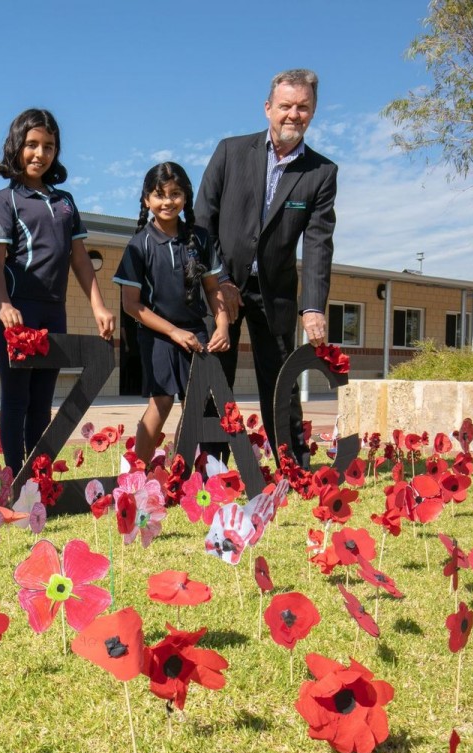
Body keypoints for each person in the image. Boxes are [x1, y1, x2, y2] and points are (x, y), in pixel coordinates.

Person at [195, 68, 338, 467]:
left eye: (303, 107)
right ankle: (211, 467)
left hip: (274, 293)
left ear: (313, 111)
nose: (294, 114)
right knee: (214, 380)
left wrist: (312, 306)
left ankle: (292, 464)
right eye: (286, 106)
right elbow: (203, 221)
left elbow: (318, 243)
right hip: (221, 285)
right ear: (268, 109)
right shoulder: (230, 151)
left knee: (281, 383)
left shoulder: (322, 173)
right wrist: (218, 279)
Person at [0, 109, 115, 476]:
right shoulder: (3, 201)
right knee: (16, 398)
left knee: (42, 401)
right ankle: (14, 478)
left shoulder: (66, 202)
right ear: (16, 146)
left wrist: (99, 306)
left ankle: (37, 477)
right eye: (31, 145)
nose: (39, 154)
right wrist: (4, 304)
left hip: (54, 314)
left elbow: (81, 260)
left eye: (48, 146)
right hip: (17, 313)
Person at [115, 162, 230, 466]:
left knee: (196, 406)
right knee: (162, 401)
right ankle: (136, 476)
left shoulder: (201, 239)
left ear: (185, 197)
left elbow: (213, 290)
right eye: (159, 194)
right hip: (158, 336)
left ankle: (179, 471)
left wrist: (222, 325)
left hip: (197, 333)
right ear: (146, 201)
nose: (168, 201)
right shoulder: (139, 245)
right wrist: (173, 332)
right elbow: (131, 305)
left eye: (175, 194)